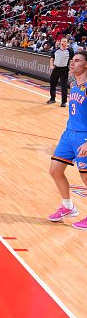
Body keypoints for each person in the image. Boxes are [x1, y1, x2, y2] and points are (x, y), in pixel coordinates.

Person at [48, 51, 87, 230]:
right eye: (72, 61)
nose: (73, 64)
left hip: (83, 137)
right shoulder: (73, 85)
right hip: (68, 133)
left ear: (86, 65)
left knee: (86, 178)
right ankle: (68, 207)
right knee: (55, 170)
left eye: (77, 61)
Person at [48, 38, 74, 107]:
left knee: (64, 86)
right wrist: (51, 65)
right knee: (52, 84)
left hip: (64, 70)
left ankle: (63, 102)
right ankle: (52, 98)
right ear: (60, 42)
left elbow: (71, 61)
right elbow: (51, 59)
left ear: (67, 43)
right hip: (56, 69)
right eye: (62, 41)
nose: (63, 43)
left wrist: (71, 70)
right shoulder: (56, 50)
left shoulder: (70, 51)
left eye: (65, 41)